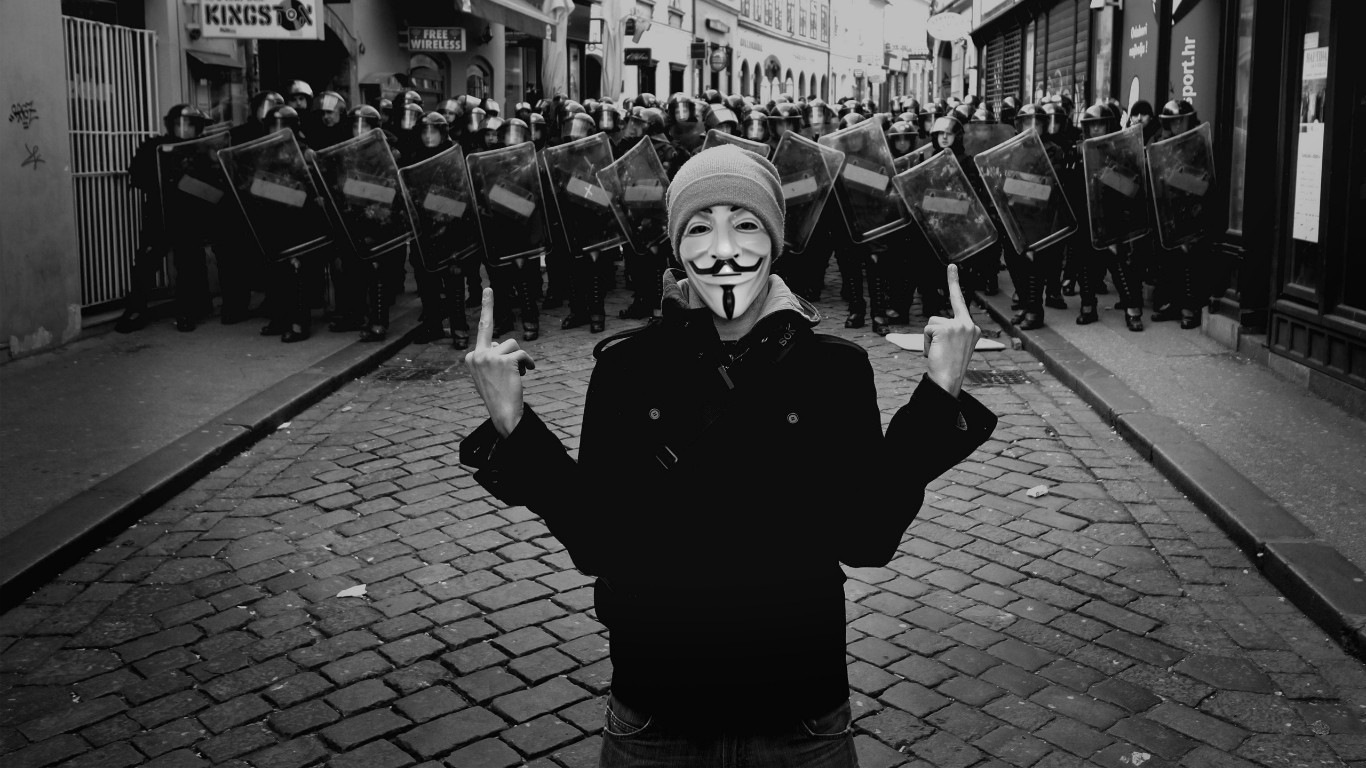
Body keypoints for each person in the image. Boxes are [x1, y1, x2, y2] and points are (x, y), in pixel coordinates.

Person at [460, 145, 997, 767]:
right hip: (659, 706)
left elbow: (867, 537)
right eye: (698, 227)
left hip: (798, 710)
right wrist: (513, 423)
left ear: (773, 241)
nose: (722, 249)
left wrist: (938, 395)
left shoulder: (833, 369)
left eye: (744, 224)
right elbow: (597, 540)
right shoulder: (628, 367)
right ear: (676, 247)